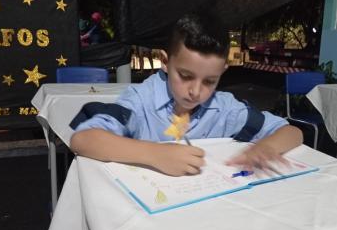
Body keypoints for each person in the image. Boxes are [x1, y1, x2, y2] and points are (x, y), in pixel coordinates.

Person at [70, 12, 303, 177]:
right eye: (185, 75)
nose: (196, 91)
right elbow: (83, 139)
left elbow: (292, 132)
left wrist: (266, 148)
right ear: (164, 62)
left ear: (222, 73)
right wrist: (154, 153)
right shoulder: (141, 101)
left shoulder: (222, 108)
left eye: (210, 81)